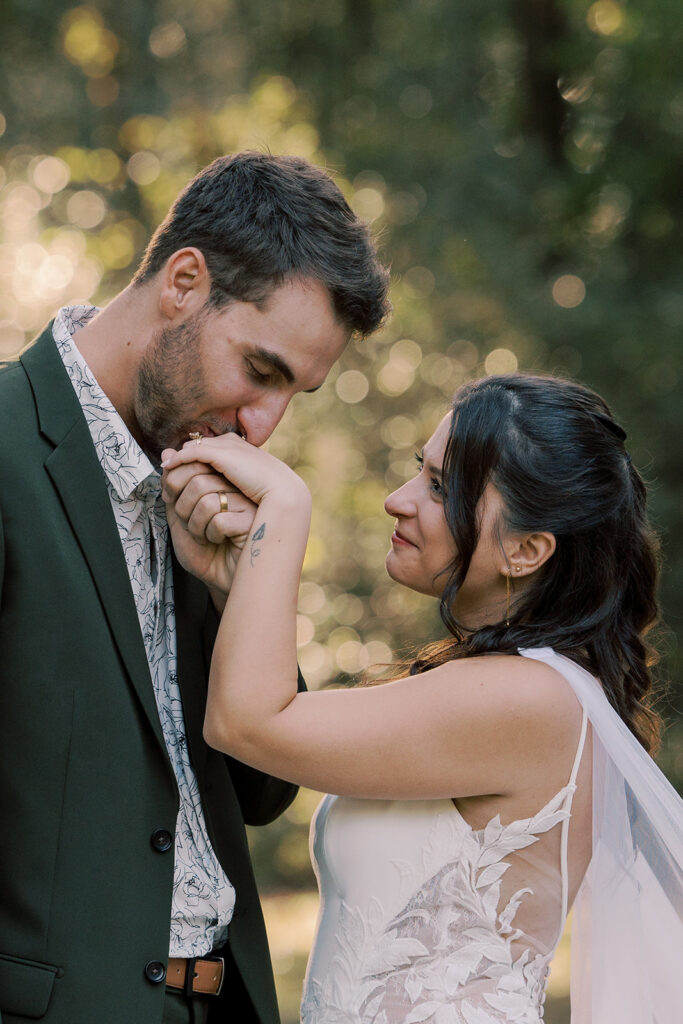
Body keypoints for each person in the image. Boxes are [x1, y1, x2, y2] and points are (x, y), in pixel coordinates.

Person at [0, 152, 390, 1024]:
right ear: (183, 282)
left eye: (295, 392)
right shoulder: (8, 456)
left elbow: (261, 792)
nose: (264, 423)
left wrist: (232, 588)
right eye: (261, 368)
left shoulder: (209, 495)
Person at [161, 372, 683, 1024]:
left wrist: (284, 508)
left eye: (440, 489)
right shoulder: (498, 683)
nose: (395, 500)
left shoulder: (526, 698)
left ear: (526, 550)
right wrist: (233, 588)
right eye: (420, 471)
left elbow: (245, 724)